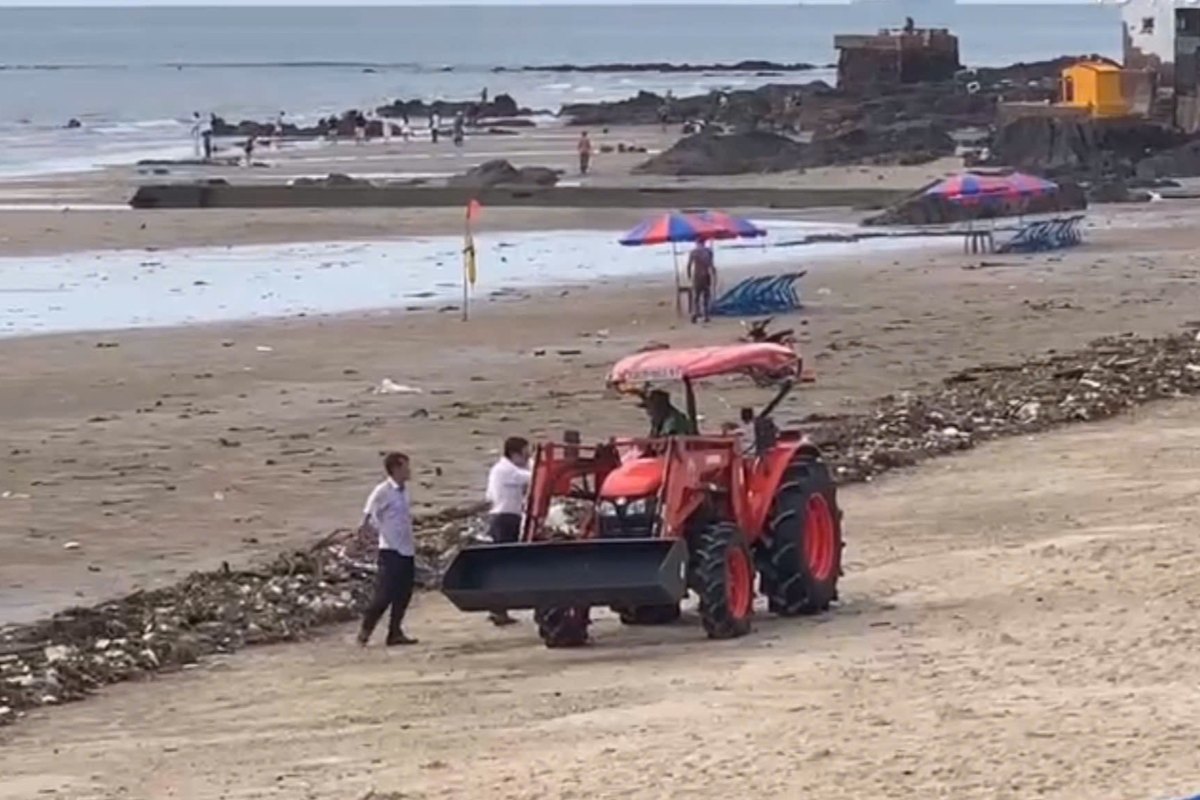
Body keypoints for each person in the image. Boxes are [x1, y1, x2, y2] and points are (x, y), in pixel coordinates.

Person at [358, 452, 419, 646]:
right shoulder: (383, 491)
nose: (409, 470)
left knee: (404, 593)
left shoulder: (404, 491)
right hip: (390, 549)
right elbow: (368, 514)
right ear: (395, 469)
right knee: (385, 594)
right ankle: (366, 629)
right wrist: (366, 536)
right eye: (405, 467)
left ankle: (395, 632)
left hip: (407, 548)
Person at [484, 436, 532, 626]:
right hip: (504, 519)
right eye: (525, 454)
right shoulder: (506, 470)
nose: (527, 459)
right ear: (515, 454)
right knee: (503, 564)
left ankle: (499, 608)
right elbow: (534, 476)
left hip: (504, 517)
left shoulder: (503, 469)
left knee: (503, 562)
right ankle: (497, 608)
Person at [686, 237, 717, 323]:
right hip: (706, 275)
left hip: (697, 276)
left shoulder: (694, 252)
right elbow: (711, 265)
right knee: (706, 296)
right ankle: (706, 314)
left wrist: (689, 275)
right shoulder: (708, 252)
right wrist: (714, 275)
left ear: (697, 243)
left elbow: (689, 265)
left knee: (696, 297)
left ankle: (697, 313)